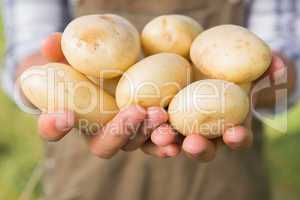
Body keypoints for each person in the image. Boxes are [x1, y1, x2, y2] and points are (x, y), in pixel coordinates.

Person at [1, 0, 299, 199]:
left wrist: (268, 83)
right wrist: (40, 83)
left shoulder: (201, 62)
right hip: (87, 152)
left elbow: (277, 45)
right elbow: (29, 45)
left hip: (225, 163)